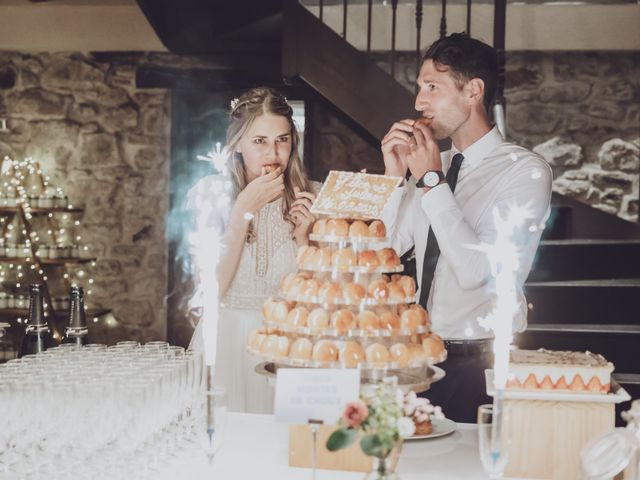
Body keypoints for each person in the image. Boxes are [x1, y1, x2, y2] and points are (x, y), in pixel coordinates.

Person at [380, 33, 553, 423]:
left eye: (431, 87)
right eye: (419, 88)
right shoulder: (432, 165)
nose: (418, 102)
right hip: (419, 355)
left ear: (473, 91)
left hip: (482, 363)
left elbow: (478, 271)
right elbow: (387, 247)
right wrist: (393, 178)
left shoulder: (525, 171)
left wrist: (430, 182)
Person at [188, 87, 318, 413]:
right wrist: (241, 212)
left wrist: (305, 238)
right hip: (227, 342)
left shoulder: (314, 197)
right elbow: (210, 292)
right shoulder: (210, 195)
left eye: (282, 139)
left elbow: (320, 302)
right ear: (237, 144)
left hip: (291, 347)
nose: (273, 152)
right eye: (259, 141)